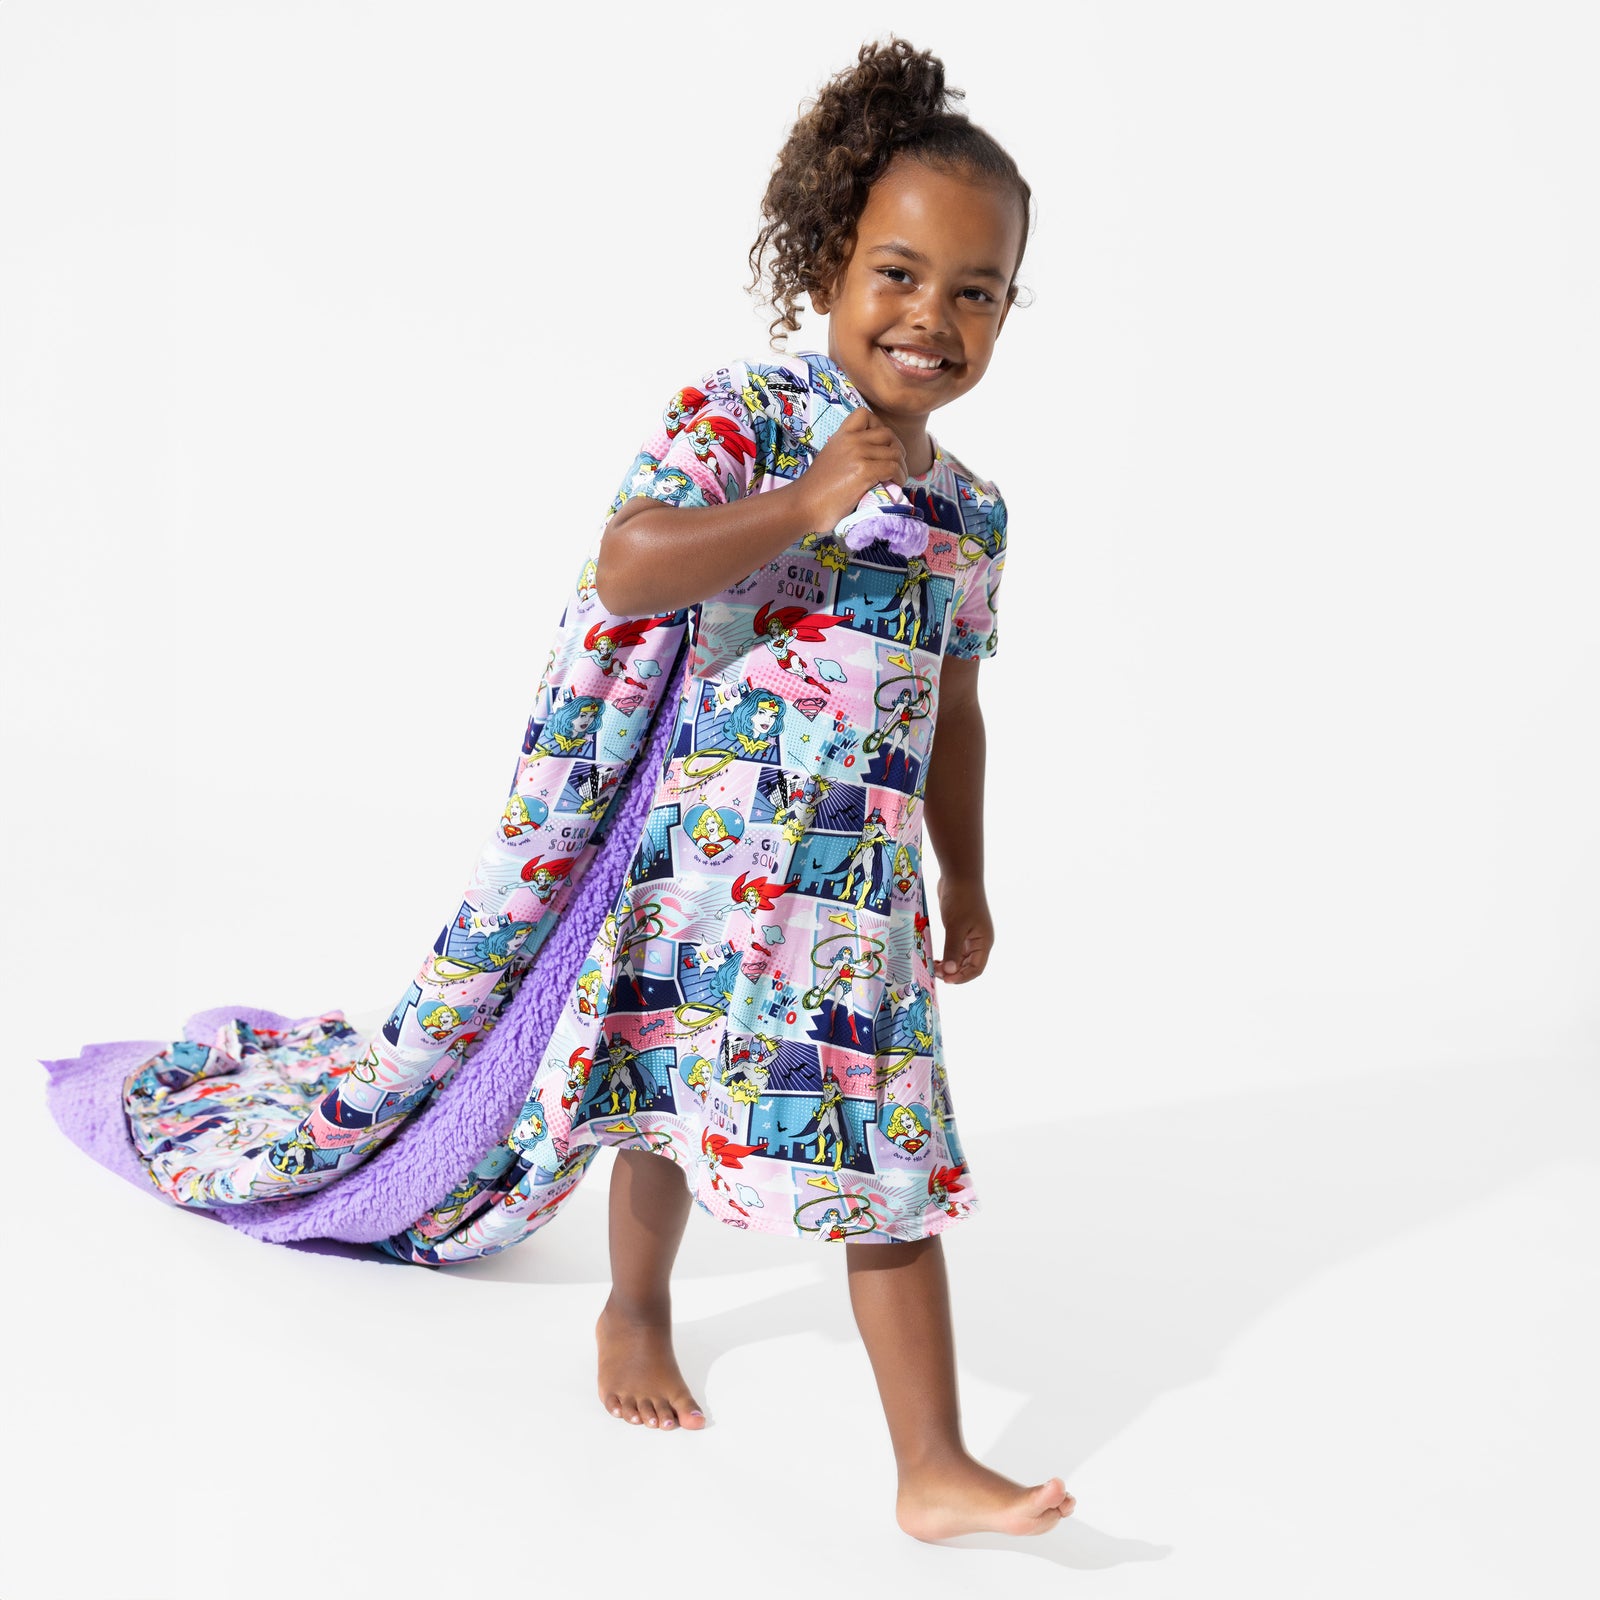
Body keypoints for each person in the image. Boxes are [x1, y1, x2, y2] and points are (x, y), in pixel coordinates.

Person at [63, 36, 1071, 1544]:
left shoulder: (970, 517)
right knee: (657, 1110)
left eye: (976, 291)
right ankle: (635, 1309)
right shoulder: (749, 414)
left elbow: (957, 710)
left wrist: (967, 875)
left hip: (854, 907)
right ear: (830, 263)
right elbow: (630, 566)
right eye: (898, 273)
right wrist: (811, 498)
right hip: (702, 874)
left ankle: (931, 1465)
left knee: (889, 1171)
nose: (932, 316)